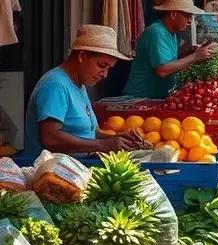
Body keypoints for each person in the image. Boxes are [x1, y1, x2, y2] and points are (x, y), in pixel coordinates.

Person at [26, 25, 146, 154]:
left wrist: (117, 139)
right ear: (82, 56)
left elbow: (89, 132)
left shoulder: (79, 84)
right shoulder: (55, 85)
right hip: (53, 170)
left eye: (108, 69)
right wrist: (102, 145)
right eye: (102, 66)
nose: (105, 75)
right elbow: (51, 139)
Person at [123, 0, 215, 99]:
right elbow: (163, 70)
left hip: (156, 97)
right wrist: (195, 56)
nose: (190, 20)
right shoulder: (157, 33)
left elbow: (171, 62)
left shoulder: (171, 33)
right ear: (173, 14)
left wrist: (192, 52)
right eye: (187, 15)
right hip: (141, 97)